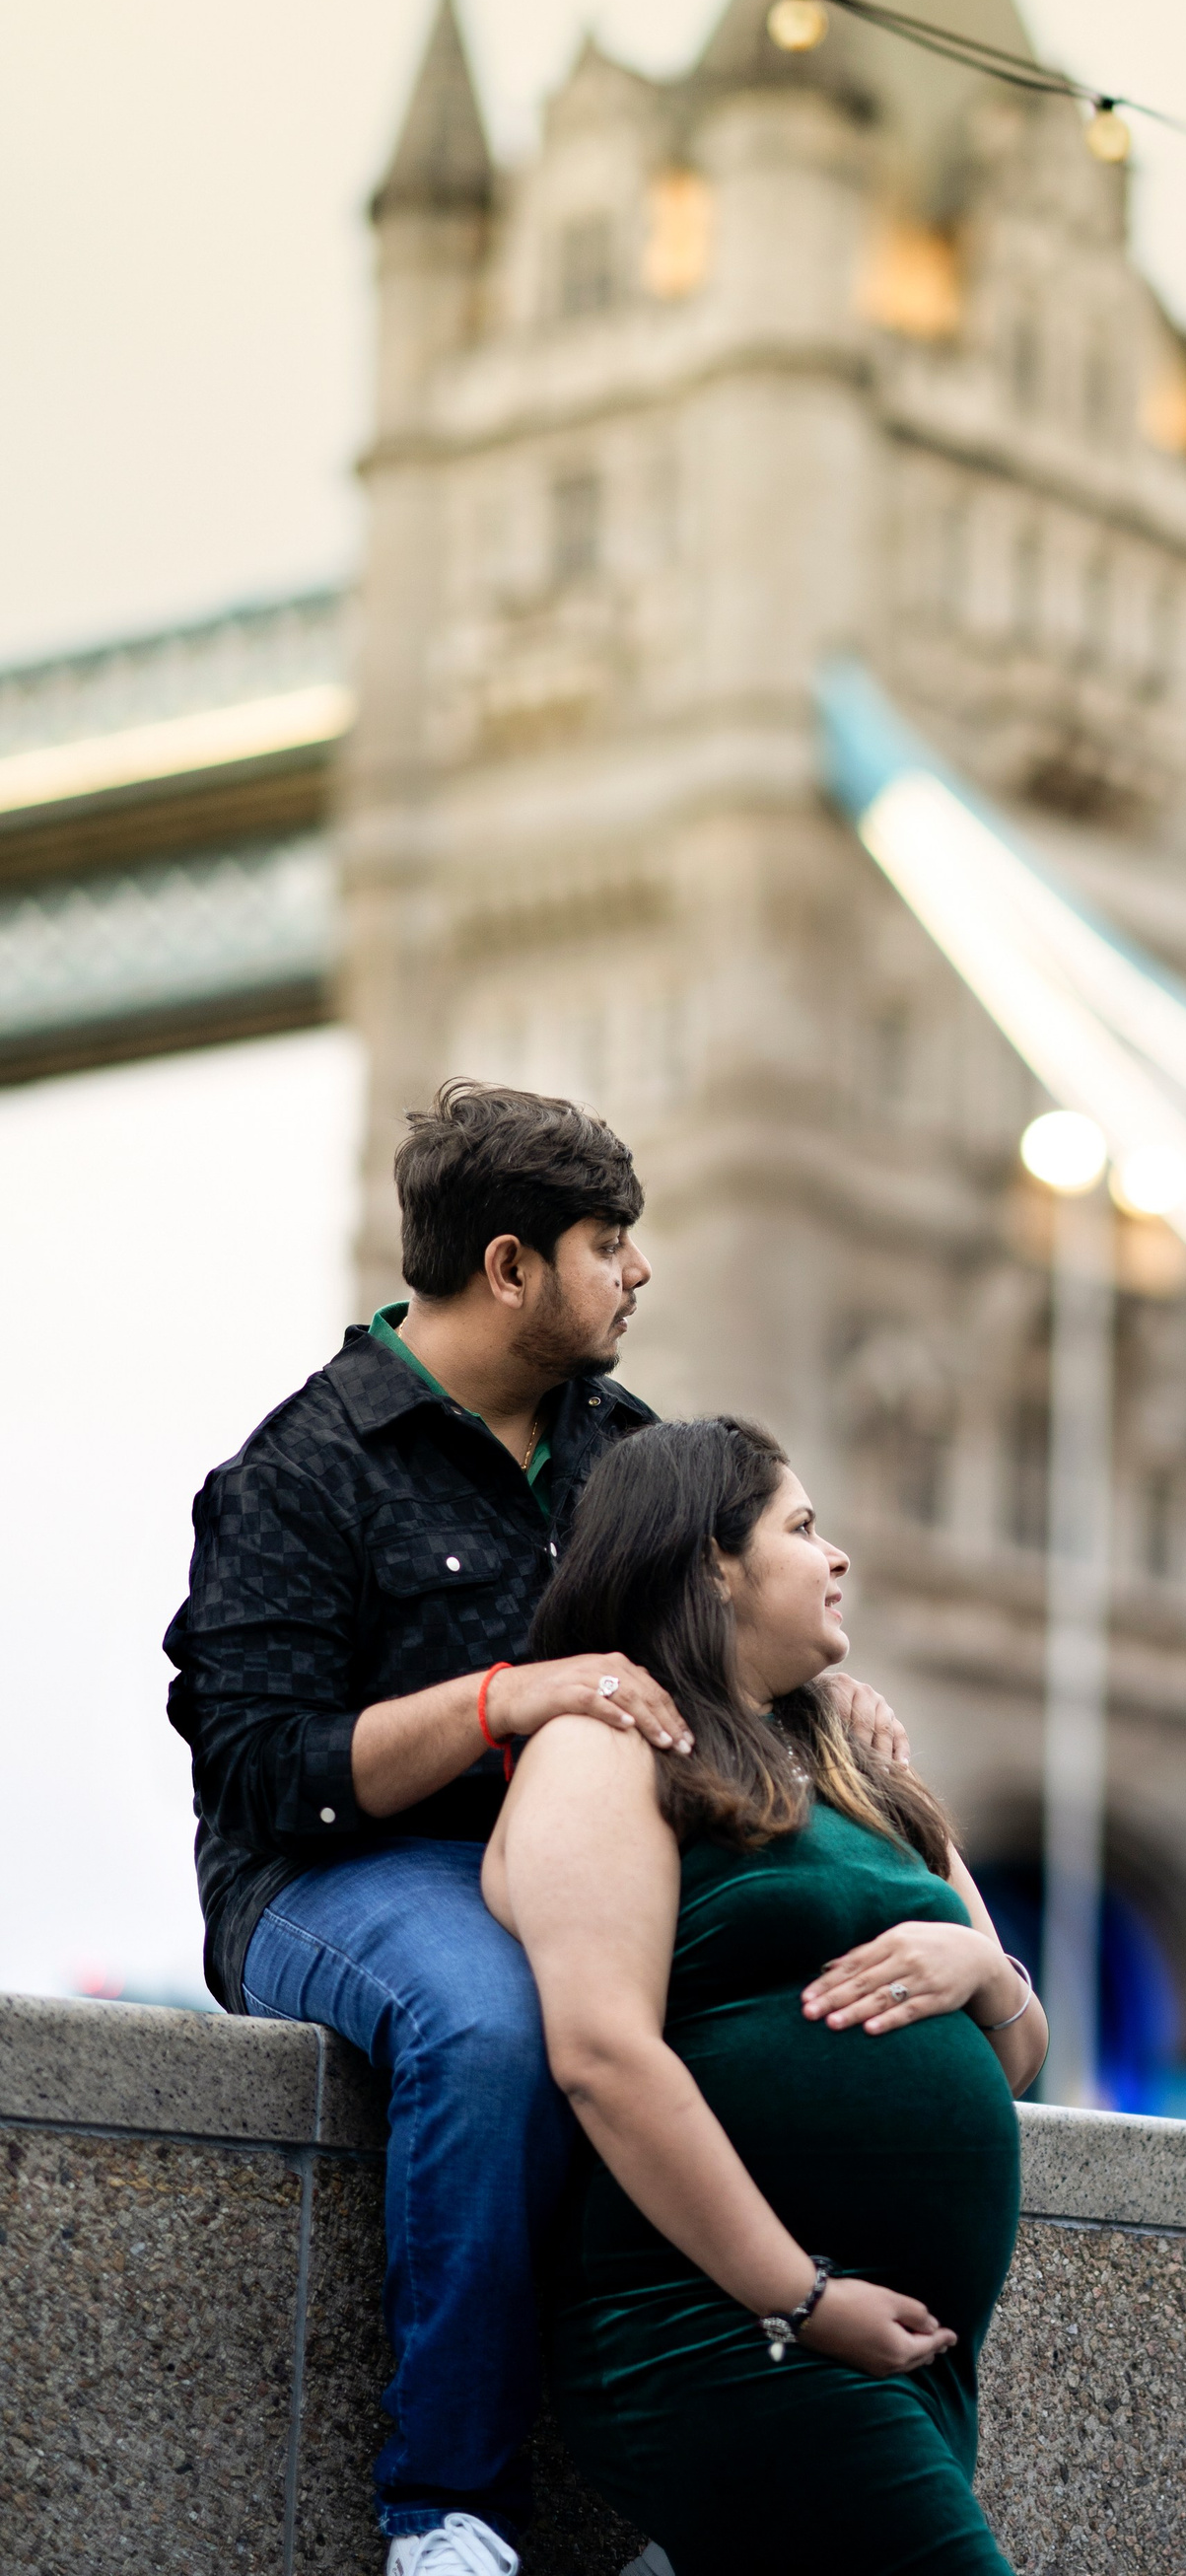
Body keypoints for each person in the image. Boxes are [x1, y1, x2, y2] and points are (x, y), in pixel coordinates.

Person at [164, 1082, 908, 2576]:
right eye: (607, 1243)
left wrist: (831, 1692)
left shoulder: (628, 1451)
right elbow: (258, 1769)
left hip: (582, 1870)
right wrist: (501, 1698)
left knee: (779, 2014)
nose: (640, 1270)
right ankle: (447, 2515)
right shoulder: (302, 1470)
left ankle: (722, 2497)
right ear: (510, 1267)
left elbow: (721, 1634)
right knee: (497, 2024)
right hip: (334, 1877)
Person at [485, 1413, 1047, 2576]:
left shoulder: (861, 1767)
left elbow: (1015, 2055)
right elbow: (601, 2053)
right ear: (714, 1565)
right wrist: (801, 2297)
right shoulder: (606, 1746)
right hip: (727, 2326)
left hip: (906, 2346)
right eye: (801, 1528)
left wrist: (983, 1972)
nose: (837, 1555)